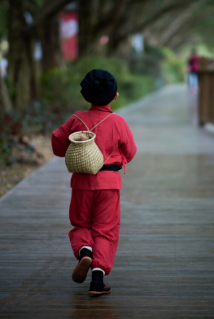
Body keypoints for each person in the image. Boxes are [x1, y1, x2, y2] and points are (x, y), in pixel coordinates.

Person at [51, 69, 137, 295]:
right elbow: (131, 151)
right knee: (106, 231)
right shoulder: (118, 122)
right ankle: (97, 282)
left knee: (82, 225)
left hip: (81, 183)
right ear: (115, 95)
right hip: (109, 184)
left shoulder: (76, 119)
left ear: (86, 94)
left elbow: (58, 145)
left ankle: (84, 251)